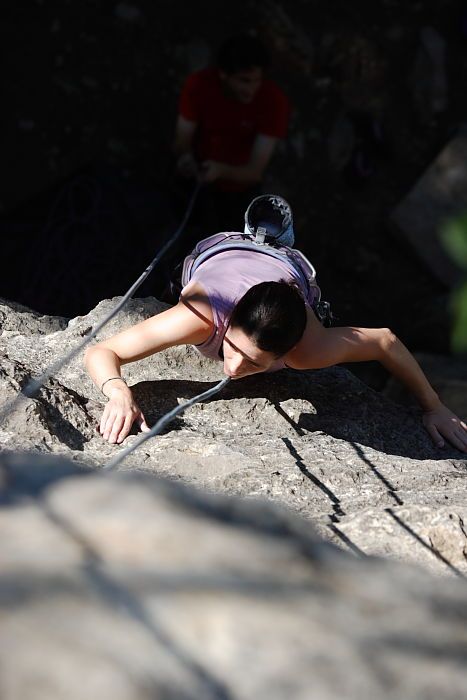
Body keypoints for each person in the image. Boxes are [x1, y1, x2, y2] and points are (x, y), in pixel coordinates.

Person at [85, 194, 467, 453]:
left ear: (287, 353)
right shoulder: (202, 315)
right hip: (221, 253)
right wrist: (118, 391)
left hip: (289, 269)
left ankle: (276, 242)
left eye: (253, 362)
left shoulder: (309, 350)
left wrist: (434, 406)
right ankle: (264, 237)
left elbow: (385, 340)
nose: (233, 367)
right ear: (228, 319)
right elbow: (103, 351)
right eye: (233, 348)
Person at [172, 34, 290, 238]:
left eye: (257, 81)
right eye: (244, 81)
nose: (251, 89)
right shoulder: (199, 86)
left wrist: (220, 171)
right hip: (197, 173)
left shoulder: (272, 102)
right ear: (224, 75)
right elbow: (182, 139)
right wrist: (185, 158)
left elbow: (254, 171)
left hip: (238, 188)